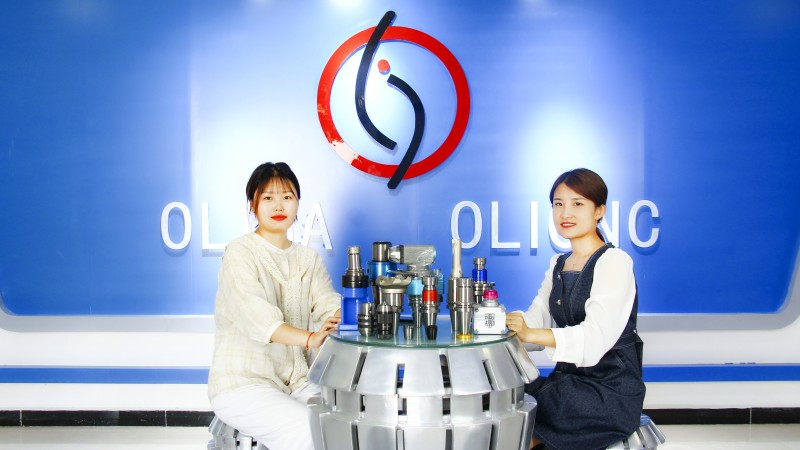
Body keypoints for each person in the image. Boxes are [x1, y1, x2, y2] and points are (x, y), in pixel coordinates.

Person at [506, 168, 645, 450]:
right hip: (566, 385)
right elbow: (536, 319)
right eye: (558, 204)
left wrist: (530, 333)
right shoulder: (558, 264)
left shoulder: (614, 261)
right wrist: (500, 323)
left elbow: (594, 339)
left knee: (520, 421)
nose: (565, 213)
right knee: (509, 399)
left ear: (599, 211)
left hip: (608, 393)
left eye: (577, 203)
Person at [208, 162, 341, 450]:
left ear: (298, 203)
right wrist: (310, 338)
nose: (279, 205)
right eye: (268, 197)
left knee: (343, 421)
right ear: (253, 204)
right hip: (244, 383)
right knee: (306, 431)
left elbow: (328, 304)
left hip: (298, 382)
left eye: (287, 197)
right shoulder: (240, 252)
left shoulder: (308, 258)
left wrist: (343, 315)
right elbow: (255, 316)